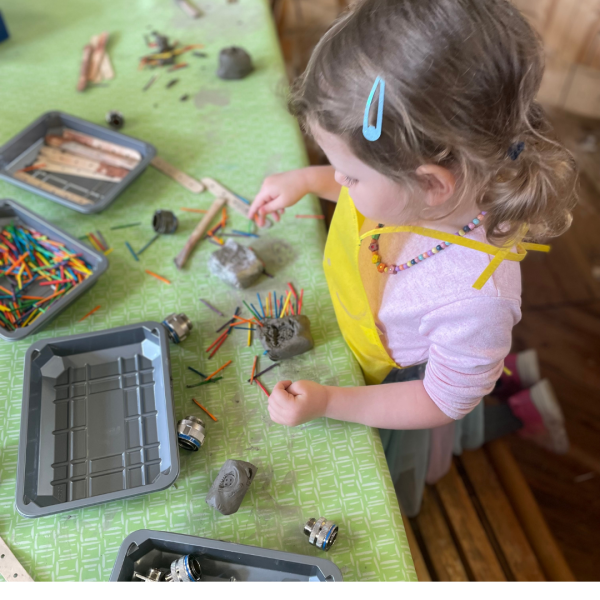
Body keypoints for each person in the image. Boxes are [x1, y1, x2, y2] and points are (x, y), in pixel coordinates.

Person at [248, 0, 578, 515]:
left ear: (430, 184)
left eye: (347, 175)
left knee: (455, 429)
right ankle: (510, 371)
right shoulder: (446, 188)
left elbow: (443, 401)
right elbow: (383, 202)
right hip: (436, 346)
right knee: (471, 363)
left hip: (404, 389)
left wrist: (332, 401)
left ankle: (519, 411)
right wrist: (306, 181)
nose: (339, 182)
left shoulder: (476, 302)